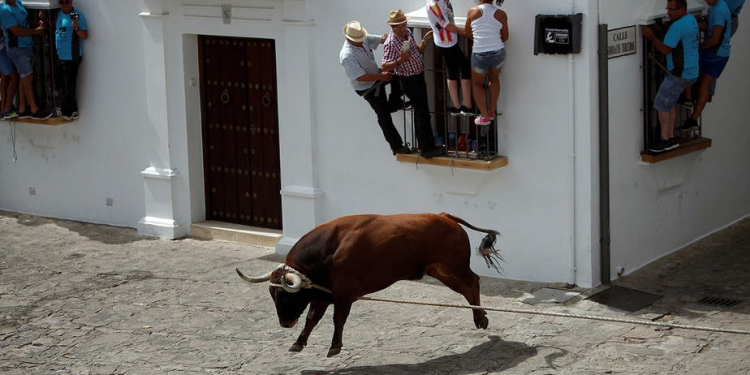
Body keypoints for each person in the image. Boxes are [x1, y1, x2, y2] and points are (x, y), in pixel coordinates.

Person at [340, 20, 410, 156]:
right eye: (358, 40)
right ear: (349, 39)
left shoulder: (363, 38)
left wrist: (397, 36)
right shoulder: (347, 56)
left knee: (397, 74)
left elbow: (382, 39)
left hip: (376, 75)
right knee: (383, 116)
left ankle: (395, 102)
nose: (361, 41)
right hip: (367, 87)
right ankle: (396, 147)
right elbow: (360, 77)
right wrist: (381, 77)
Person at [382, 9, 444, 159]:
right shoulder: (391, 43)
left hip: (418, 76)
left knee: (422, 113)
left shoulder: (408, 34)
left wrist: (425, 40)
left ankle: (426, 146)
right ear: (393, 28)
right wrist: (400, 61)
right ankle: (427, 148)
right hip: (409, 80)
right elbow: (385, 66)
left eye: (404, 24)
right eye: (400, 26)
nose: (403, 27)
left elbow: (417, 51)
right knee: (422, 113)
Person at [642, 0, 699, 152]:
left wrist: (652, 36)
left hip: (679, 75)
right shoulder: (691, 19)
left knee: (661, 104)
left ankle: (664, 139)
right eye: (668, 9)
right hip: (691, 72)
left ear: (682, 9)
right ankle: (671, 137)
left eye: (672, 10)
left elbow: (666, 49)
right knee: (669, 104)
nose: (669, 13)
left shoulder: (678, 26)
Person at [682, 0, 731, 130]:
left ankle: (687, 98)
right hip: (723, 55)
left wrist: (698, 48)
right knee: (705, 85)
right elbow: (710, 25)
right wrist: (696, 23)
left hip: (714, 53)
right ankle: (693, 119)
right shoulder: (719, 6)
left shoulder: (719, 10)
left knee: (687, 62)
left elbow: (714, 39)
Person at [0, 0, 51, 120]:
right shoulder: (3, 9)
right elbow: (16, 30)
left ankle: (22, 109)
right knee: (27, 78)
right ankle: (34, 109)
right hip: (17, 49)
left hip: (27, 46)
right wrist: (35, 31)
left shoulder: (18, 2)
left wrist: (36, 24)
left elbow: (24, 21)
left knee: (24, 77)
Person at [426, 0, 474, 116]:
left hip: (447, 41)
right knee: (465, 68)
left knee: (452, 70)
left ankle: (457, 107)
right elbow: (447, 25)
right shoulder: (433, 6)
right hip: (446, 43)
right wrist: (465, 33)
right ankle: (467, 106)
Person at [465, 0, 508, 126]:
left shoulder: (473, 11)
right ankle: (491, 111)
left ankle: (484, 116)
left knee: (477, 84)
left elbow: (467, 32)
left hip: (480, 54)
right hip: (498, 53)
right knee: (494, 79)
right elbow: (505, 36)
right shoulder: (501, 14)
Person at [55, 0, 87, 120]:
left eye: (67, 2)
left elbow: (85, 35)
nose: (64, 4)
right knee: (61, 83)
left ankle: (65, 111)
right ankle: (73, 110)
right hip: (61, 56)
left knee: (69, 85)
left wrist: (77, 28)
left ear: (71, 1)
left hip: (72, 57)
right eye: (61, 2)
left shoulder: (77, 15)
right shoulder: (58, 14)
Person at [0, 28, 19, 120]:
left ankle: (3, 108)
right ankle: (7, 108)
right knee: (14, 77)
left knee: (5, 77)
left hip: (2, 47)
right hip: (2, 48)